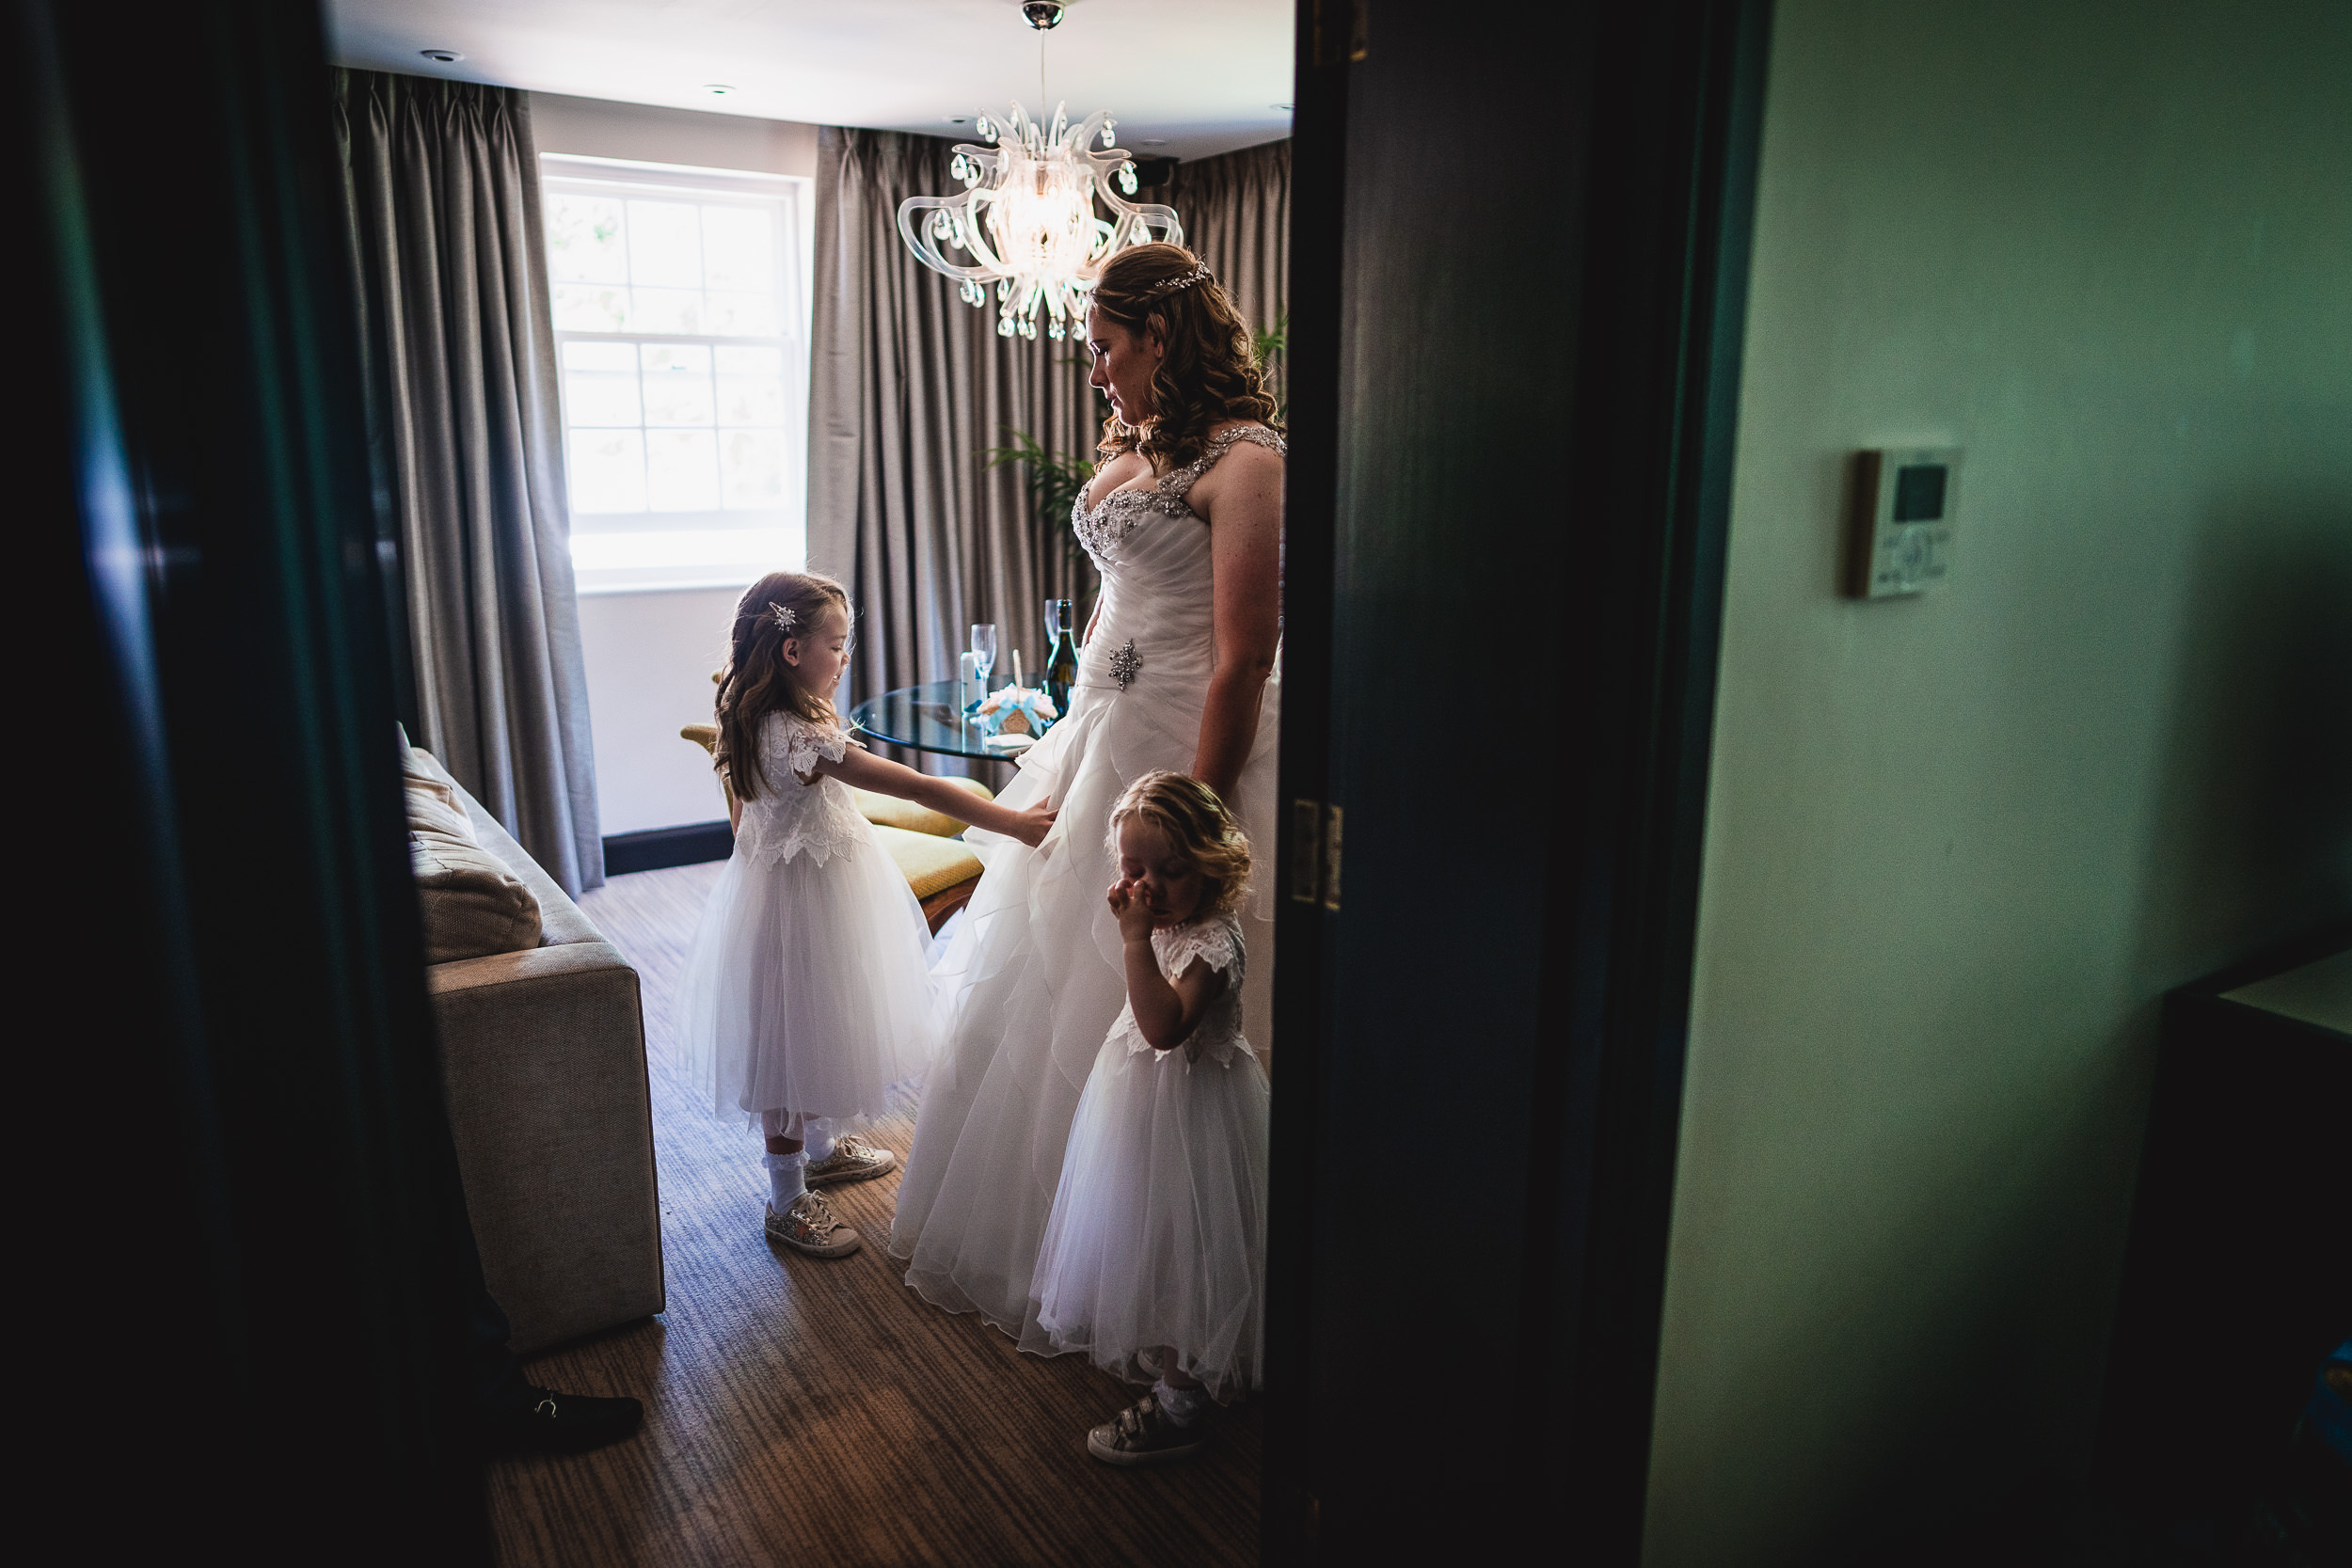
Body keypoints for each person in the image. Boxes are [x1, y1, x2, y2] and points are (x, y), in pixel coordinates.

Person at [890, 244, 1285, 1349]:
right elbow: (1120, 602)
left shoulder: (1250, 459)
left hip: (1189, 743)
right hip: (1100, 730)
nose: (1095, 373)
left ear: (1160, 337)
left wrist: (1193, 826)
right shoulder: (1142, 441)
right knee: (1042, 980)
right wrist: (1069, 727)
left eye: (1106, 349)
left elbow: (1244, 655)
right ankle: (1063, 1239)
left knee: (1165, 994)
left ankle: (1176, 1275)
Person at [678, 571, 1056, 1258]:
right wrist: (1011, 820)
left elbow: (740, 819)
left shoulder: (748, 712)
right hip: (801, 907)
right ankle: (787, 1196)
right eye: (837, 643)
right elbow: (909, 781)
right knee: (791, 1046)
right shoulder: (799, 736)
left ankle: (820, 1151)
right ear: (794, 652)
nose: (845, 656)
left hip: (798, 892)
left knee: (820, 1022)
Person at [1032, 773, 1268, 1465]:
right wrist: (1143, 931)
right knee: (1154, 1238)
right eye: (1134, 869)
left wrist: (1136, 939)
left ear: (1211, 865)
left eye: (1172, 871)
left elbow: (1163, 1025)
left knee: (1187, 1246)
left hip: (1195, 1113)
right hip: (1146, 1107)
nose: (1150, 887)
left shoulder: (1212, 946)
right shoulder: (1177, 925)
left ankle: (1180, 1403)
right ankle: (1178, 1375)